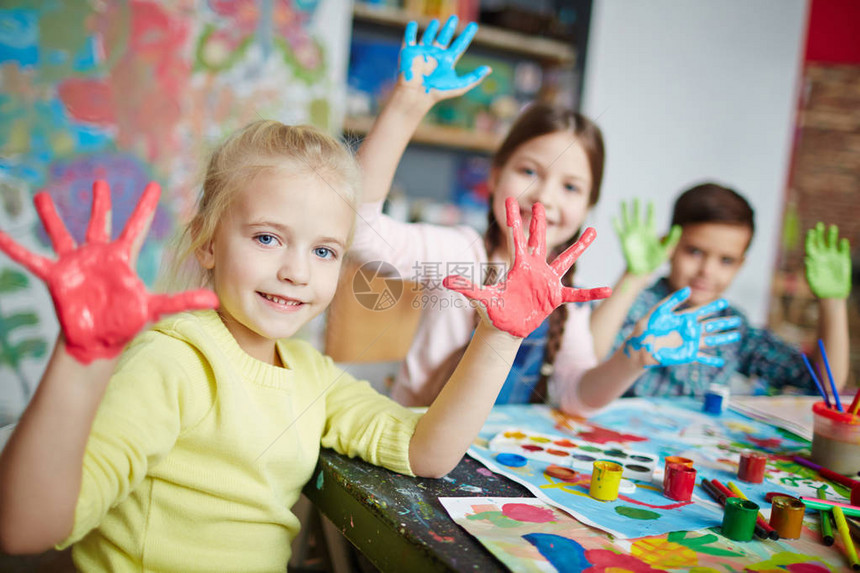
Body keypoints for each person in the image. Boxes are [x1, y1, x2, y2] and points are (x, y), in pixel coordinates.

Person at [0, 120, 608, 571]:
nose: (297, 271)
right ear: (209, 243)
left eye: (324, 251)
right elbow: (23, 529)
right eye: (267, 238)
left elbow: (427, 451)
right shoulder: (172, 361)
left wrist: (499, 337)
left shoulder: (310, 373)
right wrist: (82, 361)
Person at [350, 16, 741, 413]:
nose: (543, 198)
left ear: (588, 205)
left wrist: (633, 358)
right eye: (529, 172)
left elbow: (577, 397)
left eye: (570, 187)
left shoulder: (563, 294)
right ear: (497, 173)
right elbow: (361, 235)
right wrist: (404, 106)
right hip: (414, 449)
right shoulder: (462, 252)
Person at [591, 182, 851, 397]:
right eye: (694, 252)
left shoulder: (732, 327)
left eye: (726, 260)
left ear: (740, 265)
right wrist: (634, 275)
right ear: (668, 245)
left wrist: (833, 302)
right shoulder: (637, 306)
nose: (707, 270)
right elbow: (586, 355)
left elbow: (825, 385)